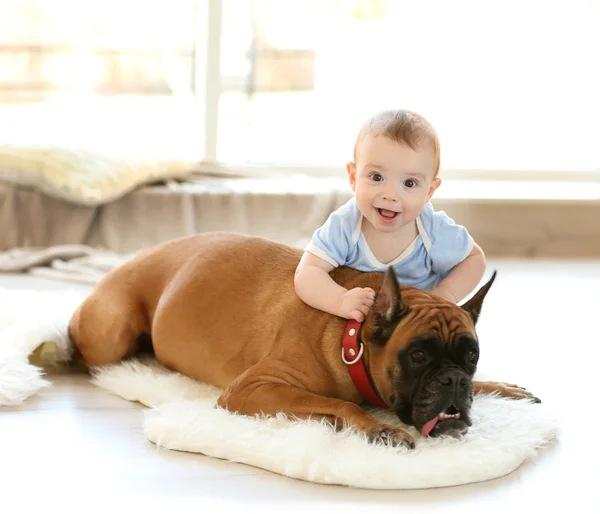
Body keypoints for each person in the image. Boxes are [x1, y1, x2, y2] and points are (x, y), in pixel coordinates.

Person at [294, 109, 486, 322]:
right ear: (353, 177)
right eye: (376, 177)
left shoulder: (432, 230)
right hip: (360, 320)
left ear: (429, 192)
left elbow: (474, 260)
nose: (390, 195)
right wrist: (340, 300)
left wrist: (445, 295)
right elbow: (307, 272)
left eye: (409, 183)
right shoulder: (345, 225)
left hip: (415, 324)